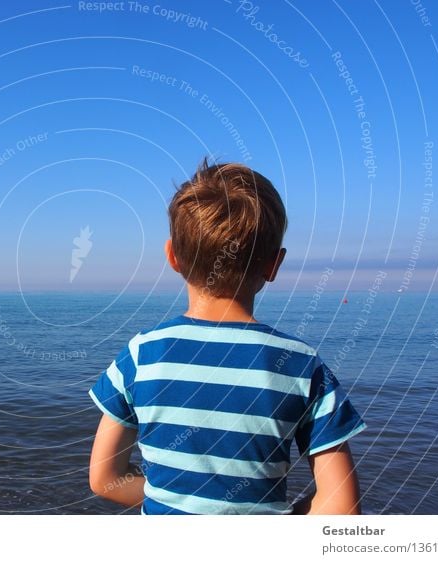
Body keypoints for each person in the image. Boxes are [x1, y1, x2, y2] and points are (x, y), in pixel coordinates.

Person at [87, 158, 366, 514]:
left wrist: (174, 499)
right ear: (274, 265)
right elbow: (341, 508)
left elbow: (104, 479)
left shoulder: (142, 355)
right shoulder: (302, 365)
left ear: (172, 256)